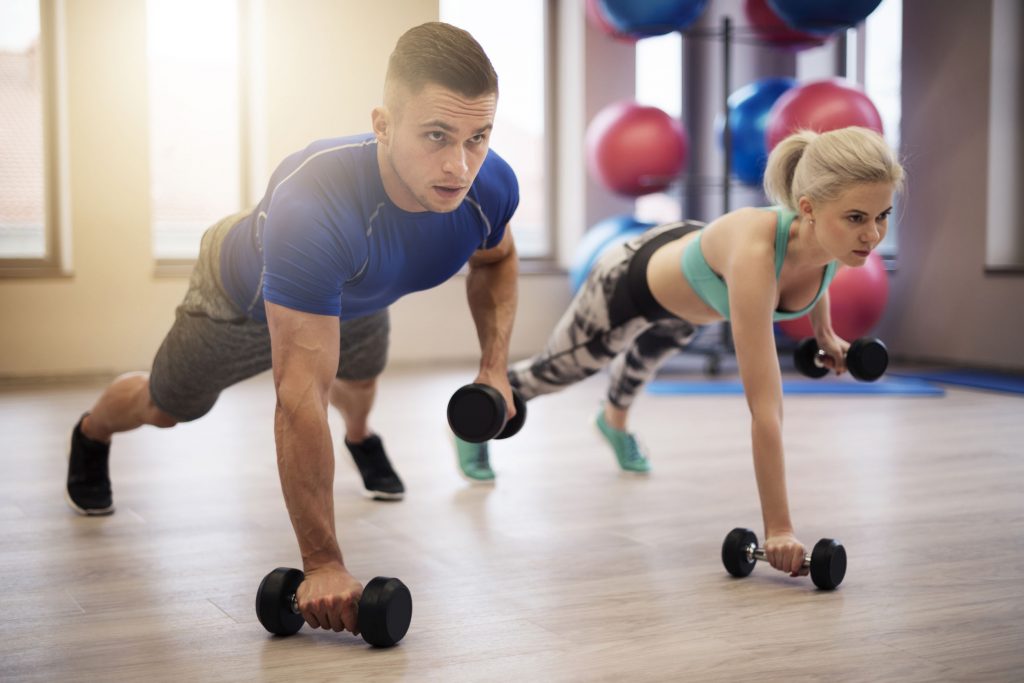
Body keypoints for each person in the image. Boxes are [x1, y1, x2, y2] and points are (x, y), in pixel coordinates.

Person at [65, 22, 520, 632]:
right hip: (241, 297)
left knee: (360, 381)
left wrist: (494, 367)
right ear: (383, 124)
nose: (460, 164)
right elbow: (298, 396)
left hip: (354, 292)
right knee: (167, 405)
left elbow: (495, 260)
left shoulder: (490, 188)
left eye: (478, 136)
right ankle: (93, 432)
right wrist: (323, 564)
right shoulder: (316, 203)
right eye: (437, 135)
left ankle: (360, 437)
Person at [454, 126, 903, 578]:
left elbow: (813, 274)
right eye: (857, 218)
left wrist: (825, 334)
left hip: (690, 301)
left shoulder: (830, 243)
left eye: (882, 215)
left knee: (642, 364)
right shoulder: (755, 256)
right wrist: (779, 529)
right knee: (563, 369)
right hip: (629, 280)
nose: (873, 235)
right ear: (808, 209)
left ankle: (612, 424)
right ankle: (483, 413)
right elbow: (765, 409)